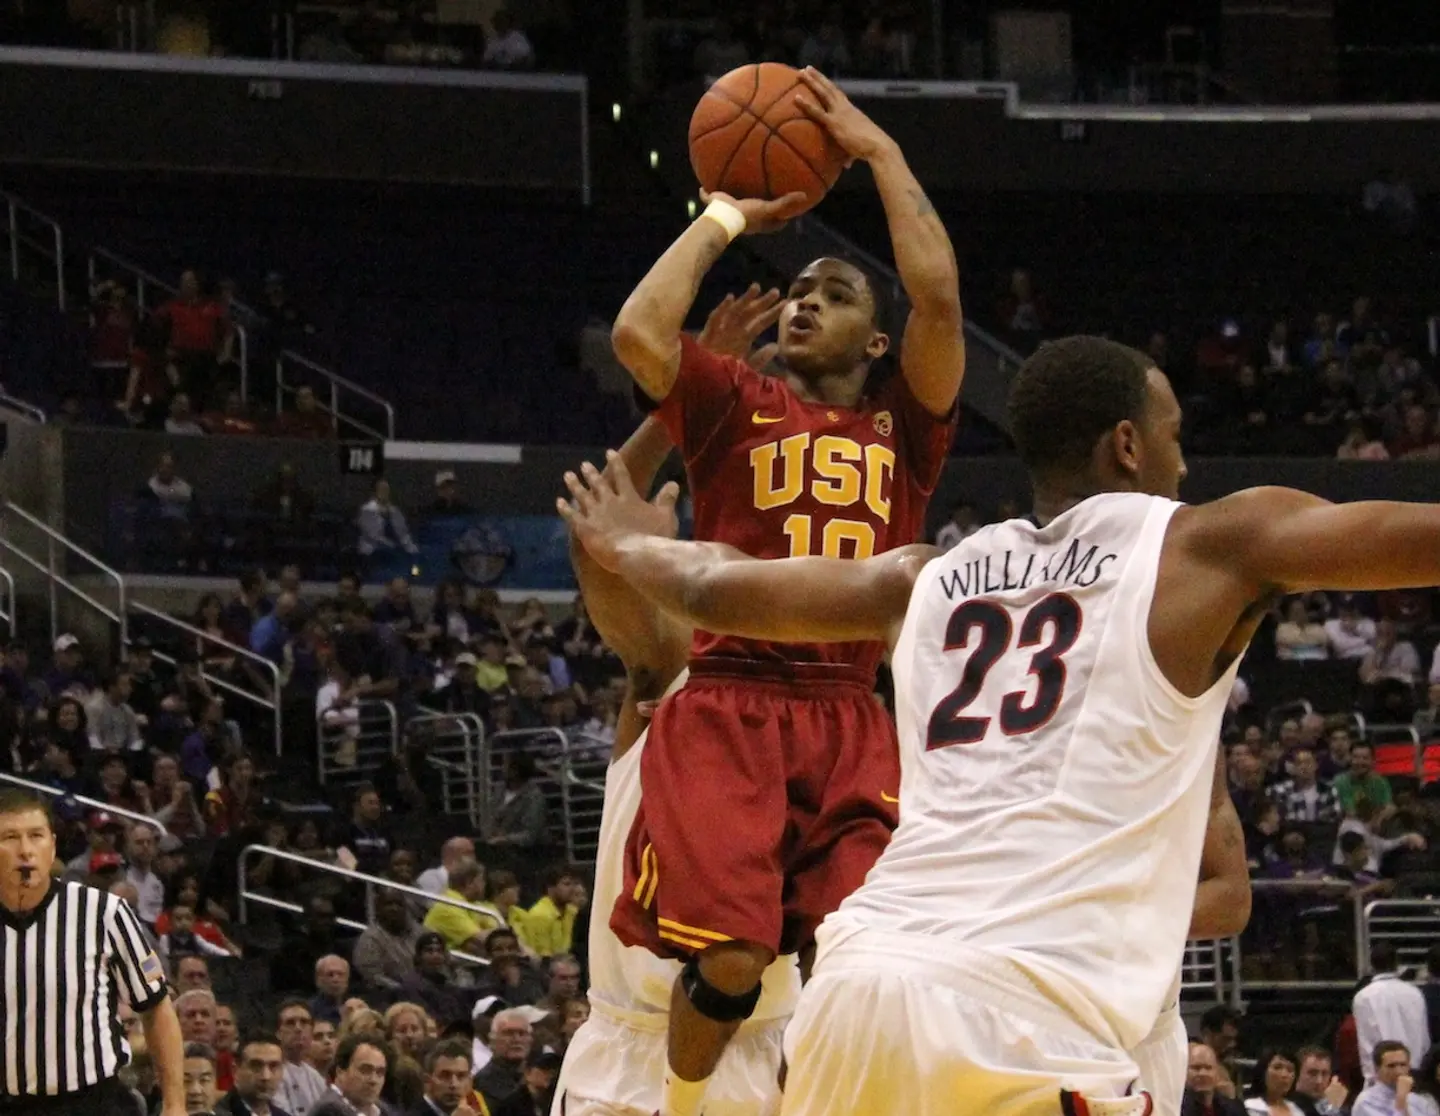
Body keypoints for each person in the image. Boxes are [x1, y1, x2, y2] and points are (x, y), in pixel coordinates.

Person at [561, 332, 1440, 1115]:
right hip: (1029, 1016)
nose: (1183, 464)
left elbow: (715, 586)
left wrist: (623, 543)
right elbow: (1407, 540)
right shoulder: (1213, 543)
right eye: (1174, 437)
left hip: (863, 993)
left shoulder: (926, 575)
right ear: (1129, 445)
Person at [607, 66, 963, 1116]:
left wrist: (882, 154)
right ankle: (682, 1108)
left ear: (880, 341)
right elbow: (639, 333)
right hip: (729, 701)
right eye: (798, 289)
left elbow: (939, 291)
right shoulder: (732, 403)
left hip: (851, 716)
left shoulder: (909, 425)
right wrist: (724, 212)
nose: (805, 300)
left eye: (834, 292)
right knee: (733, 956)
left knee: (867, 961)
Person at [0, 787, 187, 1115]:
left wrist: (174, 1104)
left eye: (36, 836)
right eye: (10, 837)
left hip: (88, 1102)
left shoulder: (103, 912)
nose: (25, 850)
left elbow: (156, 1008)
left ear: (52, 846)